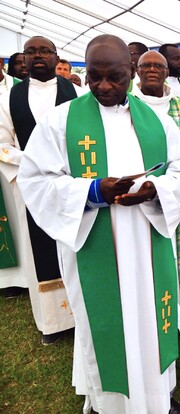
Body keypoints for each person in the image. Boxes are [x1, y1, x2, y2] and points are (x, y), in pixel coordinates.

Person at [17, 34, 180, 414]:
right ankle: (110, 405)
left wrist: (155, 190)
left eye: (114, 77)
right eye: (94, 76)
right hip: (94, 244)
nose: (103, 86)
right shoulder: (61, 121)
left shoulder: (156, 121)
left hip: (146, 242)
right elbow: (35, 181)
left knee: (150, 318)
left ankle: (156, 398)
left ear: (131, 71)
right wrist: (93, 191)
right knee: (106, 324)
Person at [0, 36, 82, 343]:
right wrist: (35, 162)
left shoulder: (76, 92)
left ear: (56, 56)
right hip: (32, 184)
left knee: (73, 244)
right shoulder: (10, 97)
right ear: (22, 58)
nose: (38, 56)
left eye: (45, 51)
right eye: (31, 51)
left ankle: (80, 315)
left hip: (69, 183)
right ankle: (52, 324)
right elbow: (3, 143)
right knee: (40, 252)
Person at [132, 50, 180, 305]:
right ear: (137, 71)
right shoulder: (127, 104)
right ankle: (147, 300)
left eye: (158, 66)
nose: (152, 70)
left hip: (176, 187)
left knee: (179, 245)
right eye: (146, 66)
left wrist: (179, 154)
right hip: (141, 191)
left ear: (166, 72)